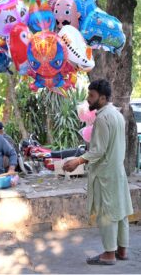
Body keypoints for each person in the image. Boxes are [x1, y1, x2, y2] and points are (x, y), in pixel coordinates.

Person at [63, 79, 133, 265]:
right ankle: (122, 251)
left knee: (107, 214)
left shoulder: (103, 118)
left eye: (92, 96)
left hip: (105, 174)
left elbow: (98, 151)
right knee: (121, 212)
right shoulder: (117, 114)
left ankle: (109, 255)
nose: (88, 99)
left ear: (102, 97)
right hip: (117, 171)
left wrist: (77, 160)